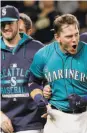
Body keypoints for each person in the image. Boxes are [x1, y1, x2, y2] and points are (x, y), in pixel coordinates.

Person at [29, 14, 87, 133]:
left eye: (76, 34)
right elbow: (33, 81)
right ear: (57, 37)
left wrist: (84, 100)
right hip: (57, 117)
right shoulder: (43, 55)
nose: (74, 39)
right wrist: (38, 97)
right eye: (69, 36)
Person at [0, 5, 46, 133]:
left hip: (31, 122)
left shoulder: (37, 49)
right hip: (2, 120)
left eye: (9, 23)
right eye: (2, 23)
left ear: (18, 22)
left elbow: (50, 81)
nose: (6, 27)